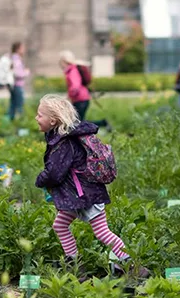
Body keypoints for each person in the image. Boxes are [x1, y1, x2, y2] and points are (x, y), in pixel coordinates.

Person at [34, 94, 147, 279]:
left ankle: (131, 264)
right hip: (76, 196)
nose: (36, 118)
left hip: (85, 196)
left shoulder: (64, 143)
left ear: (53, 120)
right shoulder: (59, 138)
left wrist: (41, 180)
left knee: (102, 232)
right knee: (60, 225)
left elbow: (54, 173)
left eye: (40, 115)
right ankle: (75, 264)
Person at [59, 50, 108, 128]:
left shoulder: (72, 71)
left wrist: (69, 97)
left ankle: (102, 124)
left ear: (64, 61)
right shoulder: (72, 70)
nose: (60, 65)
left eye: (60, 62)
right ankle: (103, 123)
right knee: (78, 122)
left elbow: (75, 87)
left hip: (80, 100)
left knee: (77, 124)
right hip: (82, 99)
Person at [9, 41, 30, 121]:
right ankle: (21, 127)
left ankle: (11, 123)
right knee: (19, 106)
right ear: (18, 49)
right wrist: (26, 72)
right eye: (22, 48)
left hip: (14, 85)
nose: (24, 50)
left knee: (13, 105)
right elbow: (17, 74)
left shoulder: (13, 58)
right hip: (17, 85)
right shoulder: (16, 60)